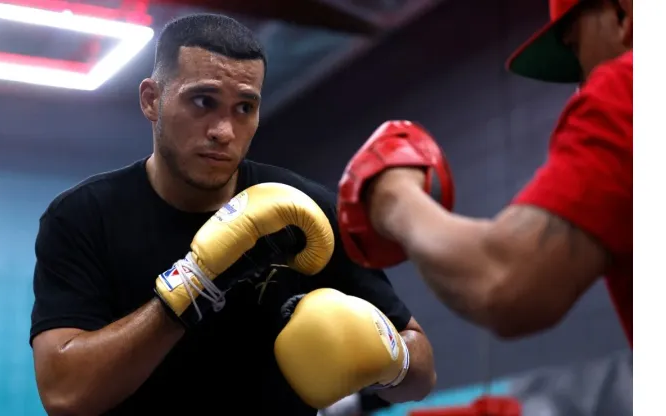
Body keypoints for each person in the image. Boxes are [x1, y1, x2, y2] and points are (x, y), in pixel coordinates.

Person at [30, 13, 436, 416]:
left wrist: (389, 357)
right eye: (203, 101)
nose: (223, 130)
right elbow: (65, 395)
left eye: (244, 107)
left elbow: (422, 369)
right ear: (152, 99)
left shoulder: (305, 210)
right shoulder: (83, 217)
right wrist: (195, 284)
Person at [338, 0, 633, 343]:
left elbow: (505, 283)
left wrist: (390, 195)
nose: (582, 83)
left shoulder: (631, 85)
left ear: (621, 15)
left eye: (574, 46)